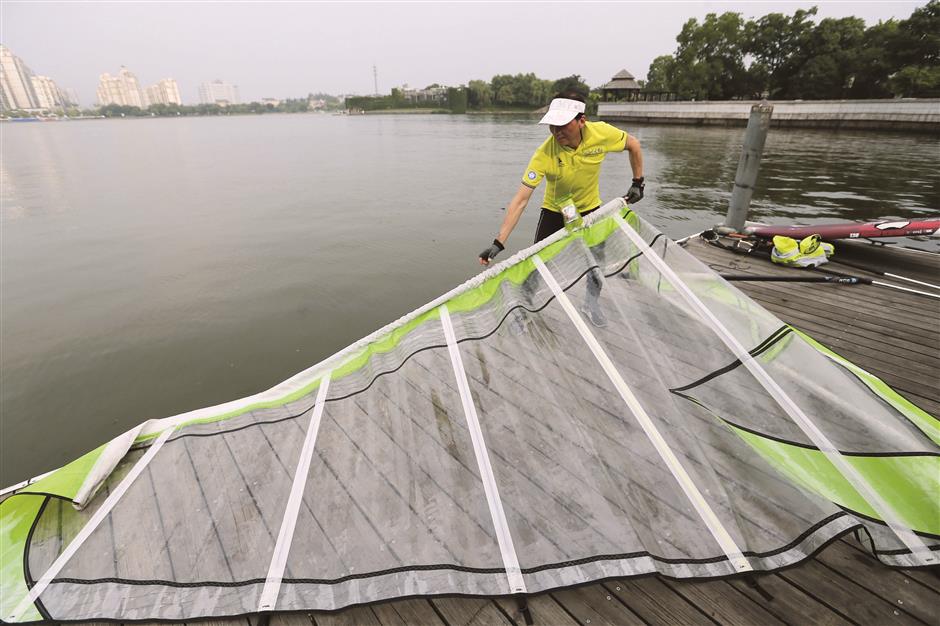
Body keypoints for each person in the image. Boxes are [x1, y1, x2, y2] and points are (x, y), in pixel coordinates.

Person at [478, 91, 645, 326]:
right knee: (537, 262)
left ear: (581, 121)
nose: (556, 133)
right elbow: (521, 199)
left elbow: (634, 145)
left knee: (597, 261)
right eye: (552, 126)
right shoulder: (545, 153)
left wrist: (638, 182)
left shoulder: (602, 134)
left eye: (562, 126)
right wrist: (499, 242)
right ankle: (523, 307)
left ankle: (591, 303)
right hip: (555, 212)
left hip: (590, 209)